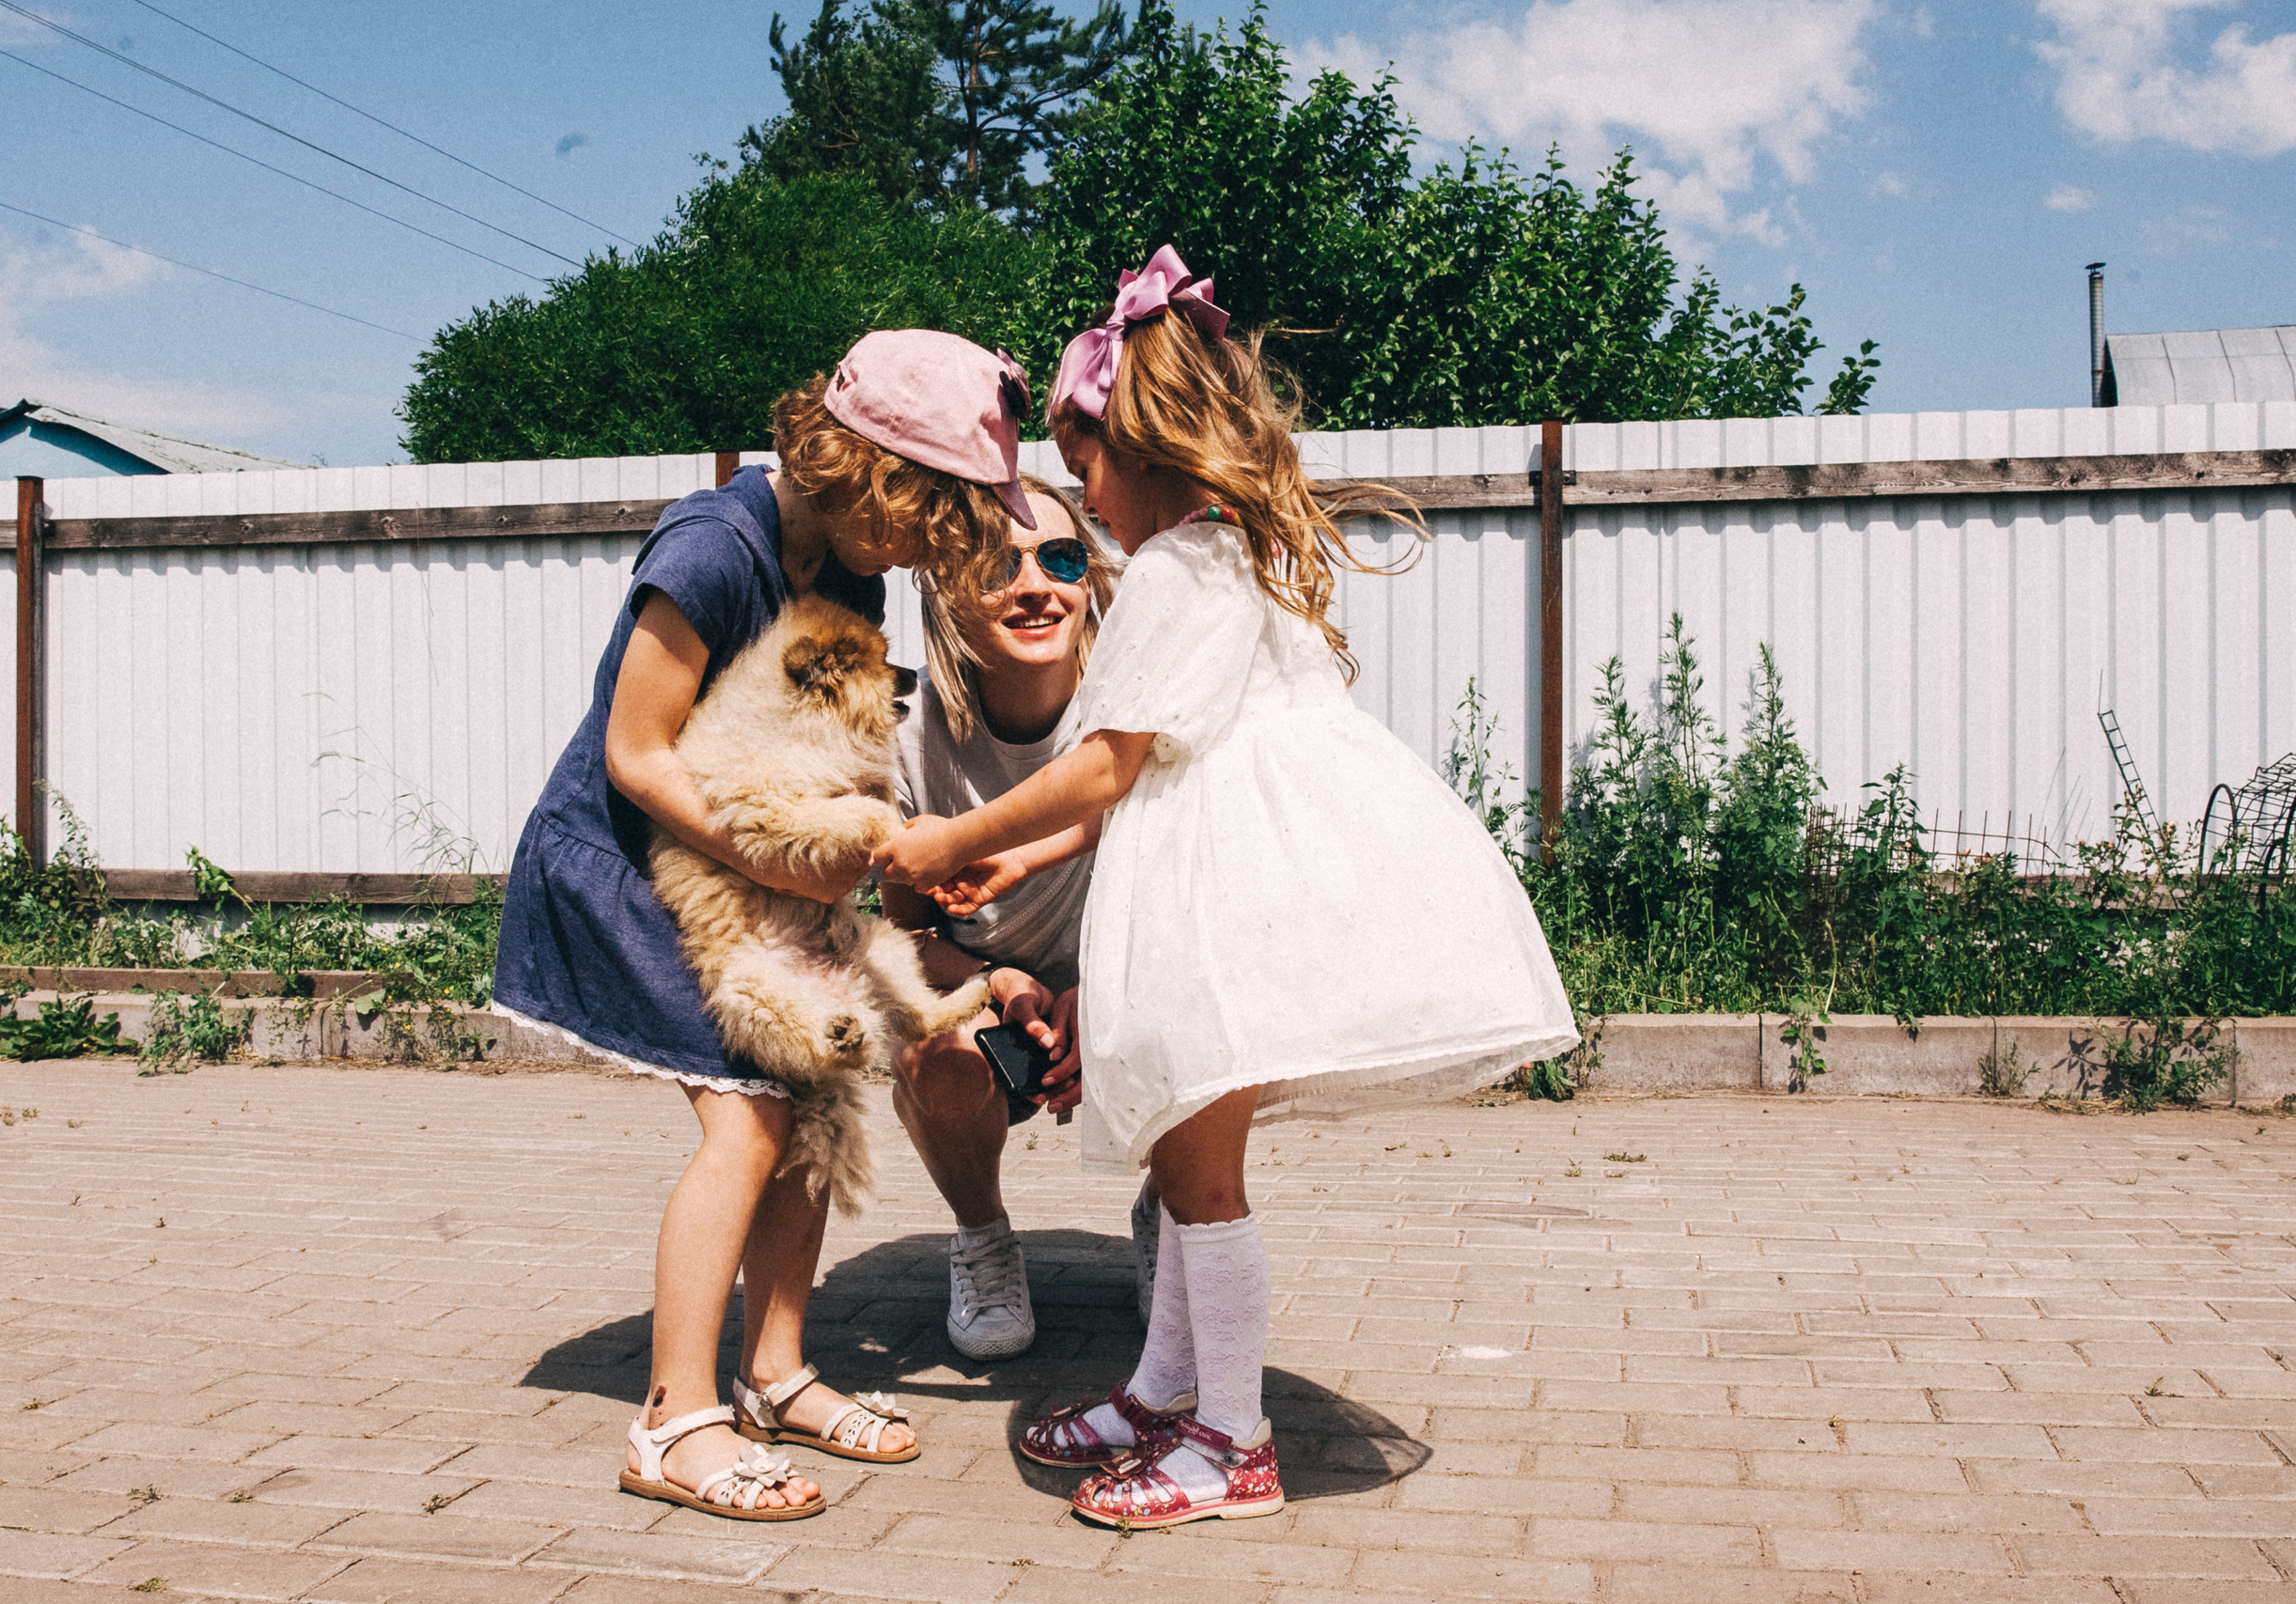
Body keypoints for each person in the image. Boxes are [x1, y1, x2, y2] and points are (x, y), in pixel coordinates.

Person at [876, 247, 1578, 1528]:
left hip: (1210, 905)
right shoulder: (1230, 556)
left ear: (1140, 452)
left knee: (1203, 1182)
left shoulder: (1174, 571)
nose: (1084, 501)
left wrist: (943, 847)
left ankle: (1230, 1439)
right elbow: (1155, 752)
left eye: (1084, 470)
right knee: (1189, 1159)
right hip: (1221, 885)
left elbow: (1107, 760)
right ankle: (1164, 1386)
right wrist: (1023, 854)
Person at [492, 331, 1039, 1520]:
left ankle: (775, 1373)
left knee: (812, 1102)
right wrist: (781, 855)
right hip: (635, 869)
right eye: (923, 522)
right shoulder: (709, 549)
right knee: (744, 1122)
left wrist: (869, 844)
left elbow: (806, 744)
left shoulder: (847, 568)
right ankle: (673, 1423)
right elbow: (637, 755)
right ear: (872, 474)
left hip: (751, 874)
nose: (923, 556)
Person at [876, 475, 1151, 1361]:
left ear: (1089, 582)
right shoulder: (909, 736)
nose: (1037, 585)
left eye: (1062, 558)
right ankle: (984, 1238)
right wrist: (995, 981)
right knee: (931, 1048)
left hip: (1133, 977)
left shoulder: (1137, 710)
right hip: (994, 996)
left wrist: (1103, 988)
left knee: (1218, 1014)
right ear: (949, 591)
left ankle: (1179, 1211)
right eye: (1000, 564)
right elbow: (907, 937)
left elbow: (1200, 893)